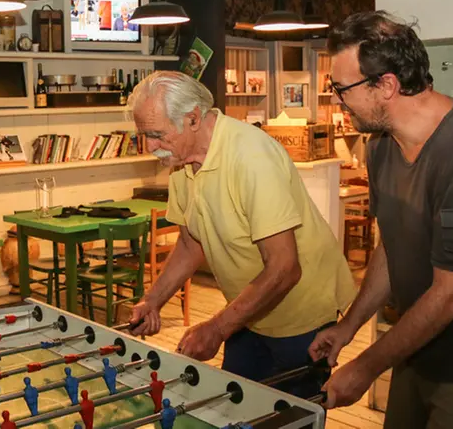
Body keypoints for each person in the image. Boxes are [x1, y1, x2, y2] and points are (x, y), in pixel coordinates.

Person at [309, 11, 453, 428]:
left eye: (342, 89)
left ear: (386, 85)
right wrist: (349, 327)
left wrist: (366, 366)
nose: (338, 101)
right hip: (417, 350)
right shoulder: (380, 146)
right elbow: (392, 246)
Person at [128, 70, 356, 398]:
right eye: (144, 135)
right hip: (248, 310)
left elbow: (284, 268)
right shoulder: (182, 162)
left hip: (300, 313)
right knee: (237, 406)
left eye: (157, 135)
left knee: (291, 415)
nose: (150, 147)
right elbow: (191, 244)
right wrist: (153, 301)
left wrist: (217, 328)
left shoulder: (250, 156)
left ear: (193, 118)